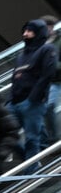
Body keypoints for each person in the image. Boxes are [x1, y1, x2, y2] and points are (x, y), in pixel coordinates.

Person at [8, 18, 58, 167]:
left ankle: (32, 170)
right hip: (15, 102)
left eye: (30, 31)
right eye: (25, 31)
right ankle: (30, 163)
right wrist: (10, 100)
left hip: (32, 102)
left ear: (38, 33)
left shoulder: (47, 49)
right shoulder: (21, 55)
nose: (26, 34)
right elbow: (15, 78)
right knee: (7, 135)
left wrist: (33, 98)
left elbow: (47, 74)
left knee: (31, 138)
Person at [41, 15, 61, 150]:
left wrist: (52, 65)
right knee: (44, 108)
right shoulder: (41, 43)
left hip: (57, 79)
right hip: (45, 81)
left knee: (48, 105)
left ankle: (53, 138)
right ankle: (49, 139)